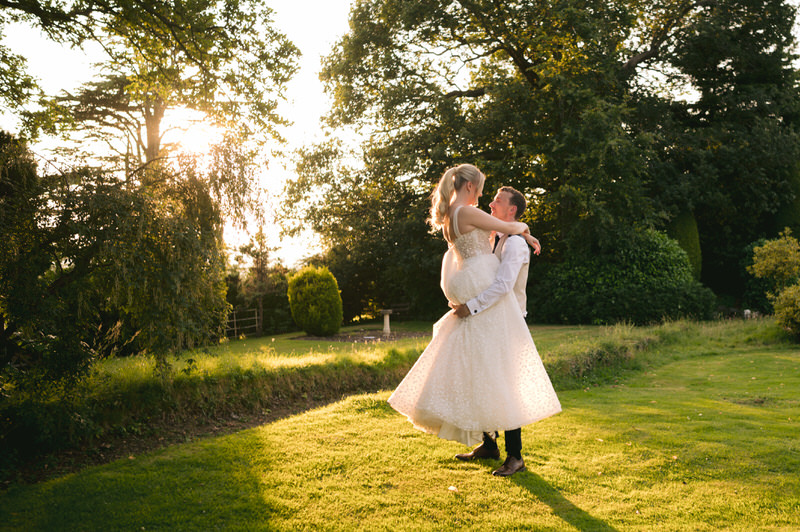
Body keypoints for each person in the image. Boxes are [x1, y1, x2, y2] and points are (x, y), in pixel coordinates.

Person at [388, 164, 561, 477]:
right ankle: (498, 448)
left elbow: (502, 239)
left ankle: (505, 451)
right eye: (482, 189)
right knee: (488, 371)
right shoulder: (467, 213)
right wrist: (526, 232)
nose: (484, 196)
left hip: (484, 296)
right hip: (481, 294)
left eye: (492, 196)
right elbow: (509, 226)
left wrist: (522, 234)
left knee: (489, 371)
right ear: (470, 187)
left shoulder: (454, 215)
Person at [450, 185, 553, 476]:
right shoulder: (502, 237)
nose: (491, 205)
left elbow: (503, 286)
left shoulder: (516, 245)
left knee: (505, 387)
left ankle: (515, 456)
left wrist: (472, 305)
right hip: (491, 318)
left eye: (497, 202)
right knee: (484, 379)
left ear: (512, 211)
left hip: (508, 322)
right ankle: (489, 445)